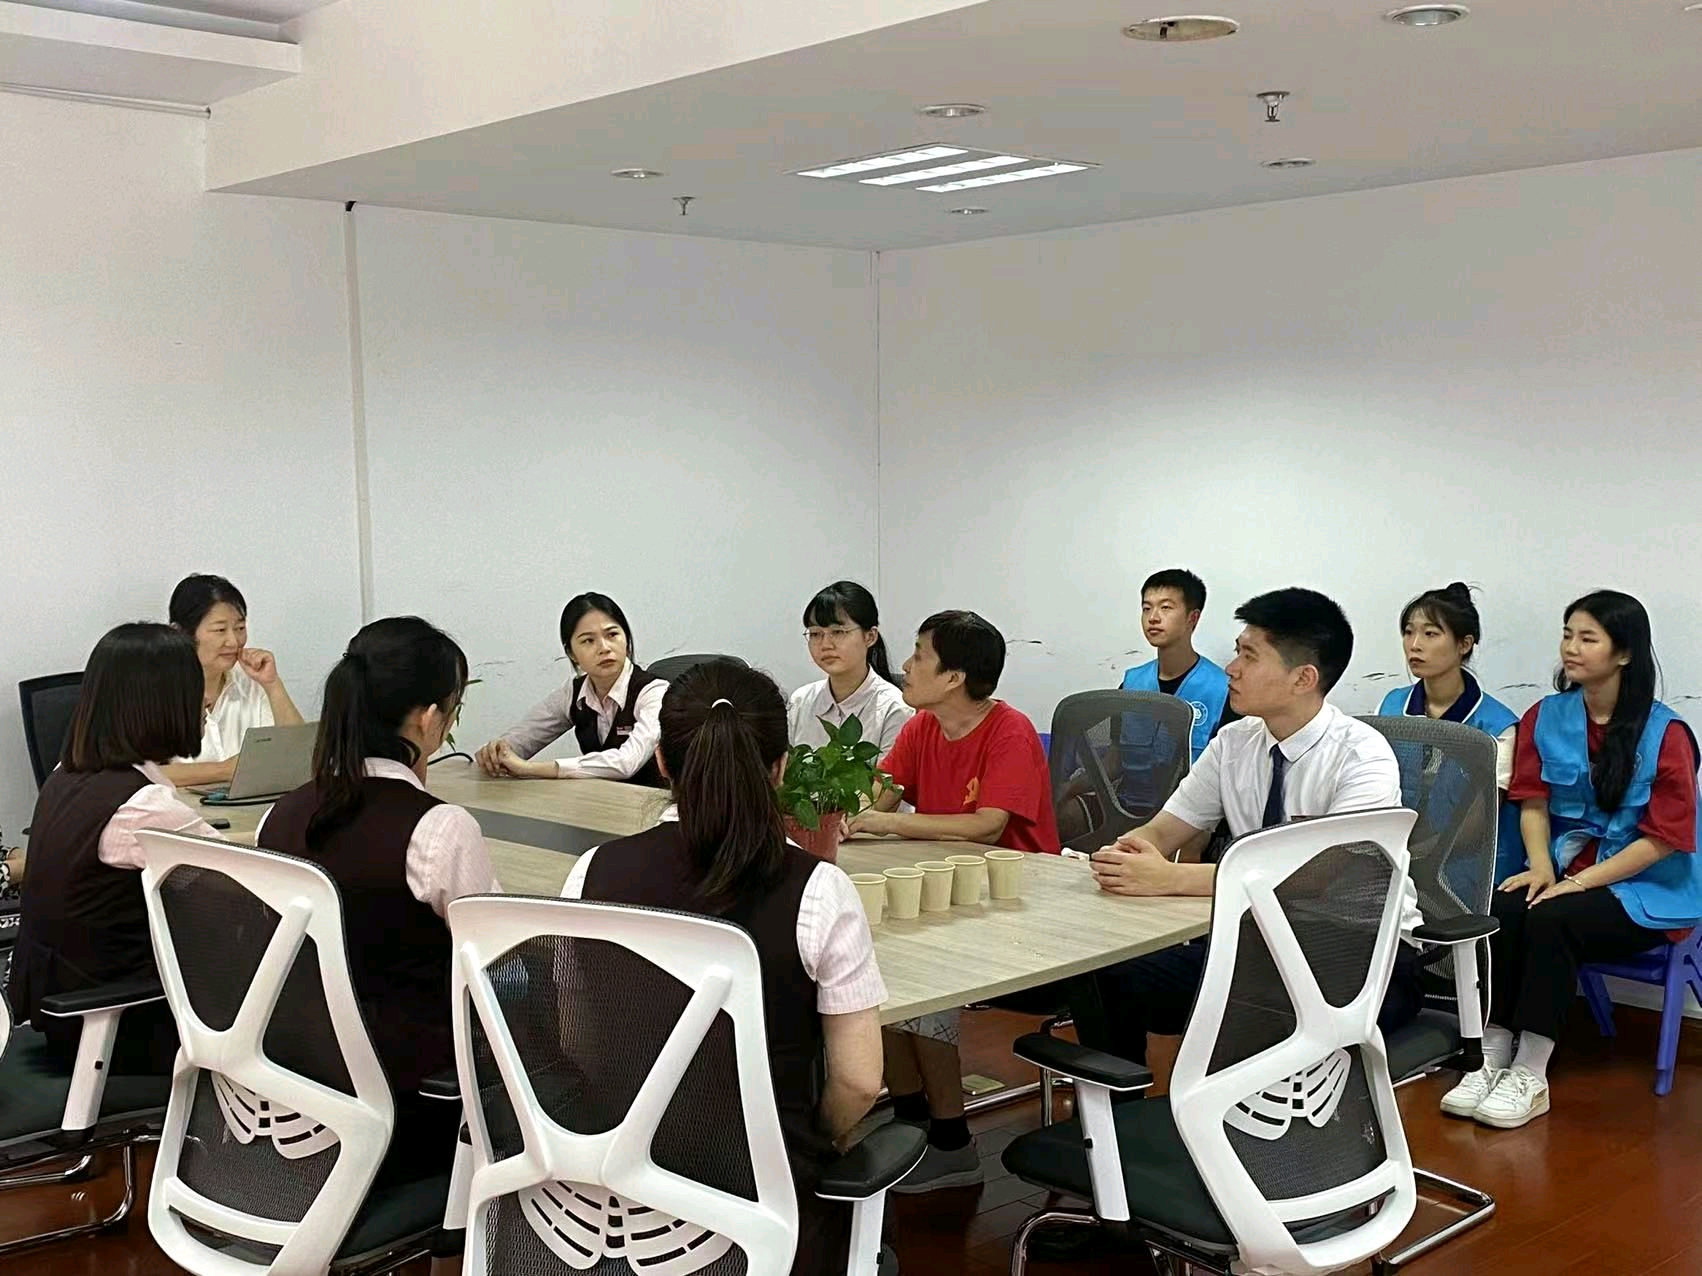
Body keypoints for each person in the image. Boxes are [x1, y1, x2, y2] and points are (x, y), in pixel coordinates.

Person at [562, 659, 886, 1274]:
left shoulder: (591, 873)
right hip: (763, 1217)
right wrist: (801, 1135)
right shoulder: (818, 891)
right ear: (780, 767)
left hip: (608, 1207)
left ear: (662, 762)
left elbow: (578, 1039)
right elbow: (860, 1083)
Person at [1081, 588, 1422, 1087]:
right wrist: (1127, 854)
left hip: (1360, 956)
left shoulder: (1362, 755)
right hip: (1261, 943)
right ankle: (1115, 1118)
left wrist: (1168, 878)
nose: (1231, 669)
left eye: (1249, 656)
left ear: (1303, 678)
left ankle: (1244, 1126)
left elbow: (1312, 877)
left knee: (1244, 1011)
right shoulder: (1234, 742)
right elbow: (1166, 828)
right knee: (1109, 974)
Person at [1440, 591, 1701, 1130]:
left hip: (1649, 888)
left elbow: (1663, 840)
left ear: (1624, 653)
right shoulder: (1546, 715)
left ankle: (1531, 1072)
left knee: (1552, 918)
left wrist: (1579, 885)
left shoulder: (1666, 733)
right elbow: (1532, 801)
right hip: (1565, 872)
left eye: (1587, 638)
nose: (1571, 648)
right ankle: (1493, 1050)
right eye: (1567, 635)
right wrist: (1541, 867)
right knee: (1506, 907)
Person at [257, 616, 499, 1185]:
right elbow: (495, 965)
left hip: (298, 1086)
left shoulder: (278, 816)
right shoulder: (438, 829)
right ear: (430, 719)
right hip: (413, 1099)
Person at [848, 610, 1059, 1194]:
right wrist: (851, 816)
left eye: (919, 655)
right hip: (948, 896)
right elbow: (880, 796)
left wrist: (886, 825)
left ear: (954, 677)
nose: (906, 666)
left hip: (1018, 907)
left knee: (918, 976)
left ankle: (952, 1141)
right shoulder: (922, 726)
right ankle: (911, 1118)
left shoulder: (1009, 731)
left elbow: (988, 826)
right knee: (870, 964)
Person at [9, 622, 223, 1073]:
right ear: (163, 704)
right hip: (123, 1025)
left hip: (60, 1010)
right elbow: (251, 891)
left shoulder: (66, 773)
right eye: (195, 689)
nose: (206, 701)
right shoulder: (143, 807)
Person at [1377, 582, 1522, 885]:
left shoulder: (1496, 726)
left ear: (1464, 644)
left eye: (1430, 634)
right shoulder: (1391, 706)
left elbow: (1477, 824)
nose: (1414, 645)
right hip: (1395, 857)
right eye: (1408, 632)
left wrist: (1413, 857)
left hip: (1467, 869)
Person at [476, 592, 666, 786]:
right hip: (601, 800)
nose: (604, 648)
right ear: (571, 653)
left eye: (612, 635)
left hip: (656, 801)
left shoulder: (654, 692)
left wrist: (529, 769)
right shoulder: (573, 693)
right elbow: (523, 739)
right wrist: (497, 753)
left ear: (626, 638)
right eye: (588, 641)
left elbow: (626, 763)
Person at [161, 573, 304, 788]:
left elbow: (299, 754)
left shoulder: (252, 680)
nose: (234, 641)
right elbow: (137, 775)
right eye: (220, 630)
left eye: (240, 628)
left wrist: (273, 685)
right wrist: (225, 770)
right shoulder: (154, 690)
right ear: (180, 633)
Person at [1118, 568, 1235, 764]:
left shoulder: (1223, 690)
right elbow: (1114, 760)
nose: (1153, 617)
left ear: (1192, 618)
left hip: (1195, 785)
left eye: (1165, 607)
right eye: (1146, 608)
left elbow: (1231, 768)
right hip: (1131, 786)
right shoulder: (1131, 684)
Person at [788, 580, 913, 753]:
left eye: (838, 632)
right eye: (815, 633)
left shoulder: (895, 709)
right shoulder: (800, 702)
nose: (825, 644)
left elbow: (888, 771)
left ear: (870, 637)